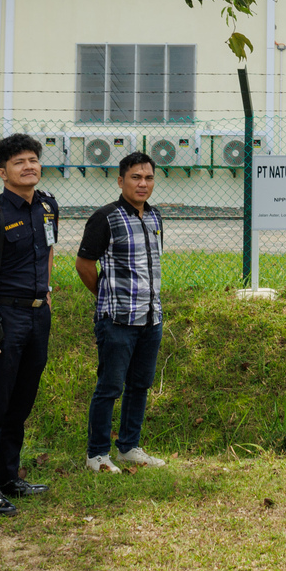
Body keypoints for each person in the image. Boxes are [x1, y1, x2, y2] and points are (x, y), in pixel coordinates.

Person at [0, 134, 60, 516]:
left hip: (38, 316)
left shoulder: (49, 206)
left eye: (34, 160)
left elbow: (49, 250)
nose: (29, 166)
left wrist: (47, 291)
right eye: (20, 162)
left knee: (21, 402)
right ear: (3, 172)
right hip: (4, 318)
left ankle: (8, 479)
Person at [76, 151, 168, 474]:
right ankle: (97, 454)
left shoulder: (155, 217)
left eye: (148, 178)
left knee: (139, 385)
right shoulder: (105, 218)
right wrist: (107, 295)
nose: (143, 184)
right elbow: (84, 265)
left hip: (150, 318)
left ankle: (129, 446)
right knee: (110, 387)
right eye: (135, 177)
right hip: (117, 321)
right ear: (120, 181)